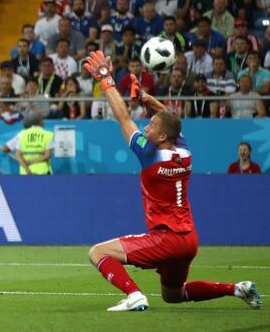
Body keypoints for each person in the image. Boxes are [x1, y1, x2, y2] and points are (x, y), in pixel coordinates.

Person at [82, 49, 260, 311]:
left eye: (151, 126)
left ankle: (134, 295)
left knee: (98, 252)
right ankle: (237, 289)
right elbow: (170, 119)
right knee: (173, 295)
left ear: (163, 137)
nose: (146, 127)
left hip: (166, 238)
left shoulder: (150, 155)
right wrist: (146, 98)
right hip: (188, 240)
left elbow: (123, 117)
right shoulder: (184, 152)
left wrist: (106, 79)